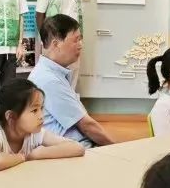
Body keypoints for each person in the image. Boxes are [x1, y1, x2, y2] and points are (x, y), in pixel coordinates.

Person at [29, 15, 115, 148]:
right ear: (56, 44)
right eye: (76, 40)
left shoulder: (52, 73)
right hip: (74, 150)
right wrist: (118, 148)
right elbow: (87, 126)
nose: (80, 45)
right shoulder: (48, 79)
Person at [0, 78, 84, 171]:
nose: (41, 116)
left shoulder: (35, 134)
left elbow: (77, 148)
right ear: (11, 116)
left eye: (41, 108)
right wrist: (22, 157)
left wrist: (39, 154)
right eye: (34, 110)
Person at [35, 0, 84, 89]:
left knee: (72, 76)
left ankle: (69, 101)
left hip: (72, 39)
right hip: (54, 40)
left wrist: (80, 39)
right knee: (52, 78)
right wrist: (45, 39)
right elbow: (40, 14)